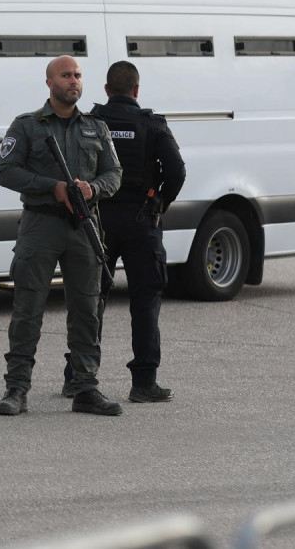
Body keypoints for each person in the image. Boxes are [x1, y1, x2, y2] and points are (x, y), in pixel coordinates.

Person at [0, 55, 123, 417]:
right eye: (66, 75)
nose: (74, 81)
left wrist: (92, 189)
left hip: (84, 226)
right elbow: (6, 171)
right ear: (49, 83)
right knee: (28, 308)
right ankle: (16, 388)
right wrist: (54, 188)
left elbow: (114, 173)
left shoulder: (97, 126)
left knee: (87, 308)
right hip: (41, 224)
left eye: (78, 75)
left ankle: (85, 387)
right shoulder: (28, 126)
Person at [81, 60, 186, 403]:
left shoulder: (92, 122)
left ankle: (78, 377)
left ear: (107, 90)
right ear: (137, 91)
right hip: (143, 221)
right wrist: (162, 202)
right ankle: (143, 383)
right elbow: (176, 171)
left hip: (98, 221)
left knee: (91, 299)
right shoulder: (152, 124)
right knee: (145, 303)